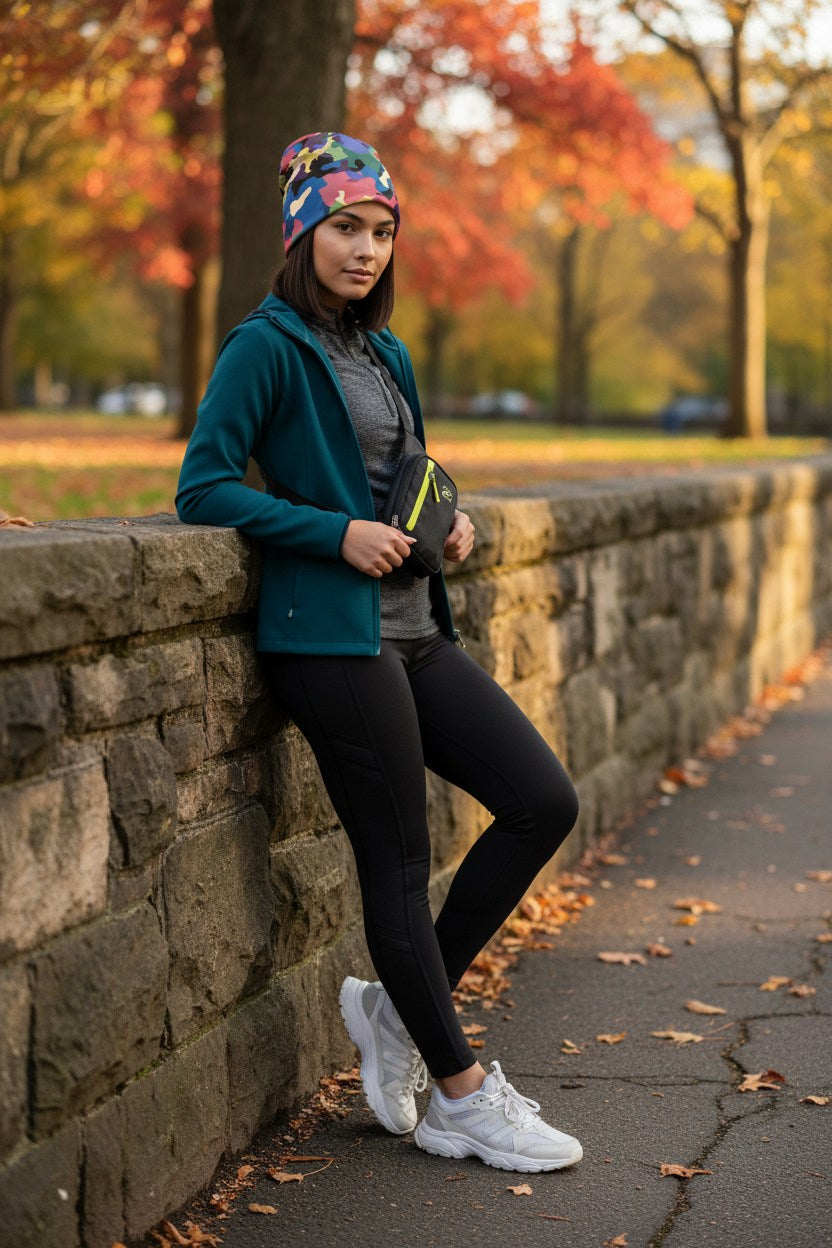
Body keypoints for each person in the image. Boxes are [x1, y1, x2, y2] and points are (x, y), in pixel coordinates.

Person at [176, 132, 582, 1173]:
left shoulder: (383, 352)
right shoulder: (263, 347)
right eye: (346, 228)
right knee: (398, 863)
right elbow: (203, 487)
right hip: (331, 640)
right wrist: (333, 533)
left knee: (542, 801)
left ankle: (398, 1014)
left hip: (415, 630)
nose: (366, 249)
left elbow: (406, 473)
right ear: (303, 233)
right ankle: (459, 1097)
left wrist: (449, 522)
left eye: (382, 232)